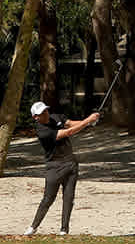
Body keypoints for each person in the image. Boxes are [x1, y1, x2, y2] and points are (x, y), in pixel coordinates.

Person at [25, 101, 99, 235]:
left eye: (46, 110)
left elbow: (71, 124)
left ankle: (64, 230)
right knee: (48, 199)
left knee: (69, 198)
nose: (46, 114)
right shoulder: (42, 132)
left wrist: (88, 121)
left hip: (71, 163)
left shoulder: (55, 117)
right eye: (42, 113)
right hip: (54, 166)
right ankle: (33, 227)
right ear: (36, 117)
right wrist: (88, 120)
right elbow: (68, 132)